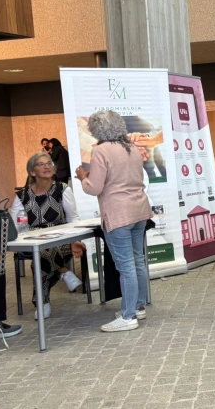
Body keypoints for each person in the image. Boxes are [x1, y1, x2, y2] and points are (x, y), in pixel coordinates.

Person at [76, 110, 153, 332]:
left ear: (96, 130)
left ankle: (128, 317)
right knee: (138, 261)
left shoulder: (100, 150)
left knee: (126, 266)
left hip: (118, 214)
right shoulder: (131, 147)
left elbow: (94, 188)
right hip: (139, 210)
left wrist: (82, 177)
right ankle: (138, 306)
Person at [12, 152, 87, 319]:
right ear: (32, 172)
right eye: (41, 164)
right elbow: (15, 224)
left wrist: (75, 240)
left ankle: (42, 302)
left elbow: (73, 218)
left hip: (61, 239)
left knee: (40, 260)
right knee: (40, 249)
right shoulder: (22, 196)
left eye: (49, 163)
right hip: (31, 239)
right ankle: (63, 271)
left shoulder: (62, 189)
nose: (47, 166)